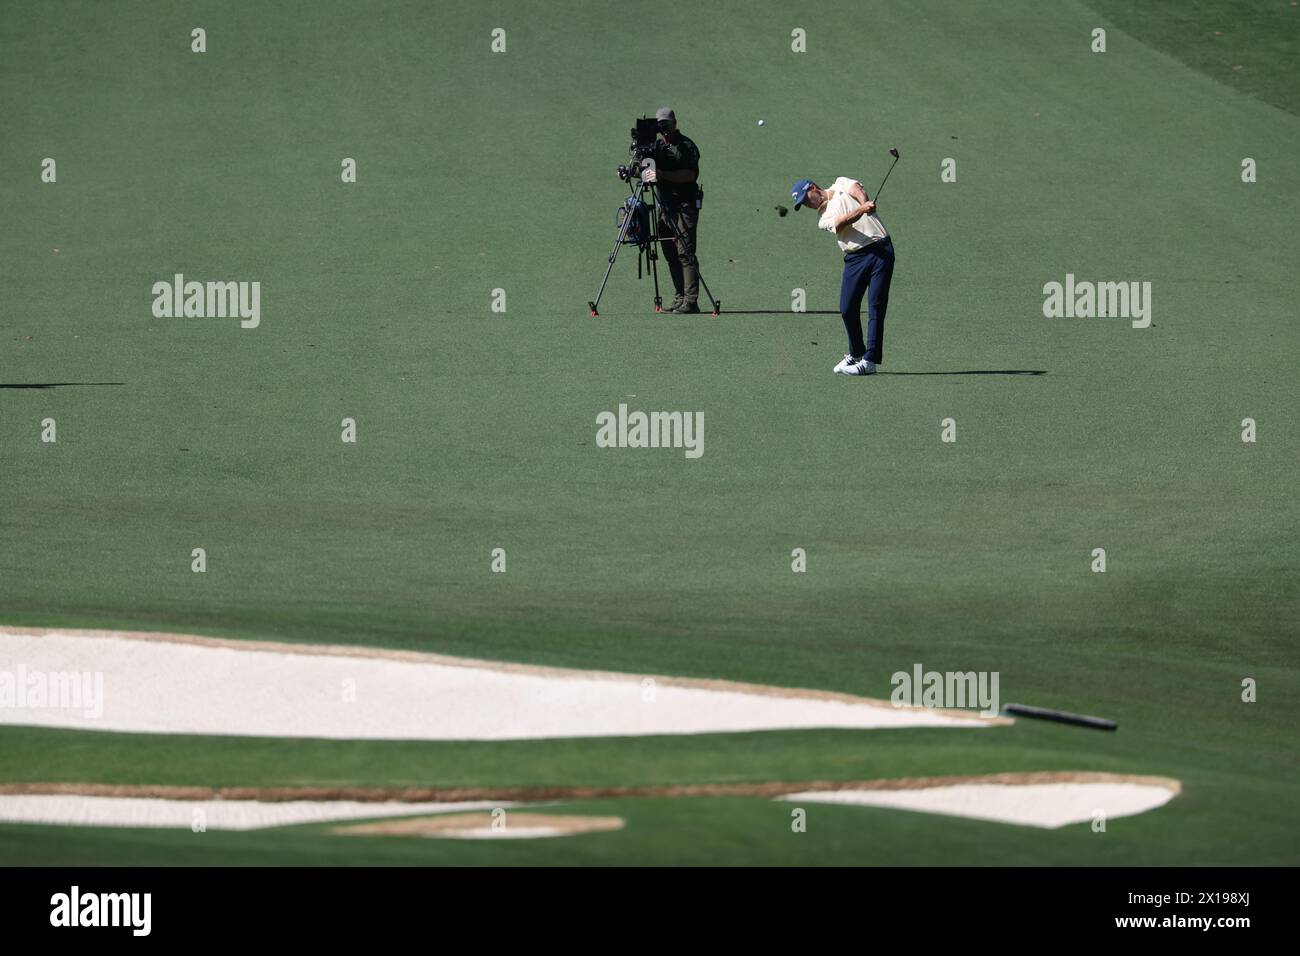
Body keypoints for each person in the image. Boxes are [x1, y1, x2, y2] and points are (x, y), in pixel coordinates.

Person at [791, 177, 895, 375]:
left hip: (881, 249)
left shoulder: (840, 183)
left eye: (806, 199)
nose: (806, 204)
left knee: (876, 307)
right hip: (855, 258)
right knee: (847, 308)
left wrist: (864, 201)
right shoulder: (822, 219)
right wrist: (861, 210)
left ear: (813, 187)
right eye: (803, 204)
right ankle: (856, 353)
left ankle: (869, 361)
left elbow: (855, 188)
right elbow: (841, 223)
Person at [640, 107, 702, 314]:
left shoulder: (686, 146)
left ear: (675, 123)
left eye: (667, 123)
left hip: (684, 205)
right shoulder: (656, 147)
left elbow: (690, 175)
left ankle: (691, 301)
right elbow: (648, 172)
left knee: (685, 252)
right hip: (665, 207)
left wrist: (662, 174)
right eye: (661, 124)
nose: (664, 128)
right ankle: (680, 297)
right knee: (670, 253)